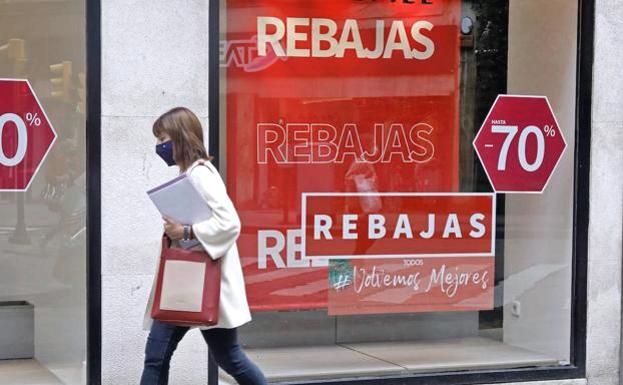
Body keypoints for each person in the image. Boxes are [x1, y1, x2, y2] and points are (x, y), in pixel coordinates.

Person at [140, 107, 267, 385]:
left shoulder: (200, 175)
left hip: (197, 283)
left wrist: (184, 230)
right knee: (163, 355)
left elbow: (230, 223)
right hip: (191, 282)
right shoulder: (193, 174)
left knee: (221, 357)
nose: (160, 146)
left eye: (163, 138)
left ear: (179, 138)